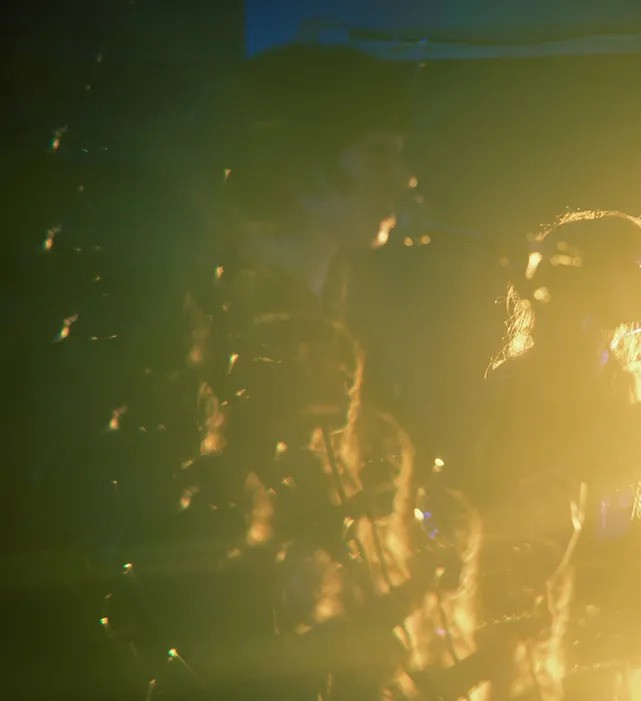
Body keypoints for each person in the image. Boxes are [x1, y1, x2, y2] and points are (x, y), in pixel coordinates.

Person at [101, 43, 476, 701]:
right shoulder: (224, 329)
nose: (404, 179)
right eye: (378, 153)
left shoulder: (314, 322)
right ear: (303, 154)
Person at [443, 210, 641, 700]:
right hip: (532, 613)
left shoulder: (631, 385)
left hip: (610, 619)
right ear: (586, 272)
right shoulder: (524, 379)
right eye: (637, 270)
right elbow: (556, 476)